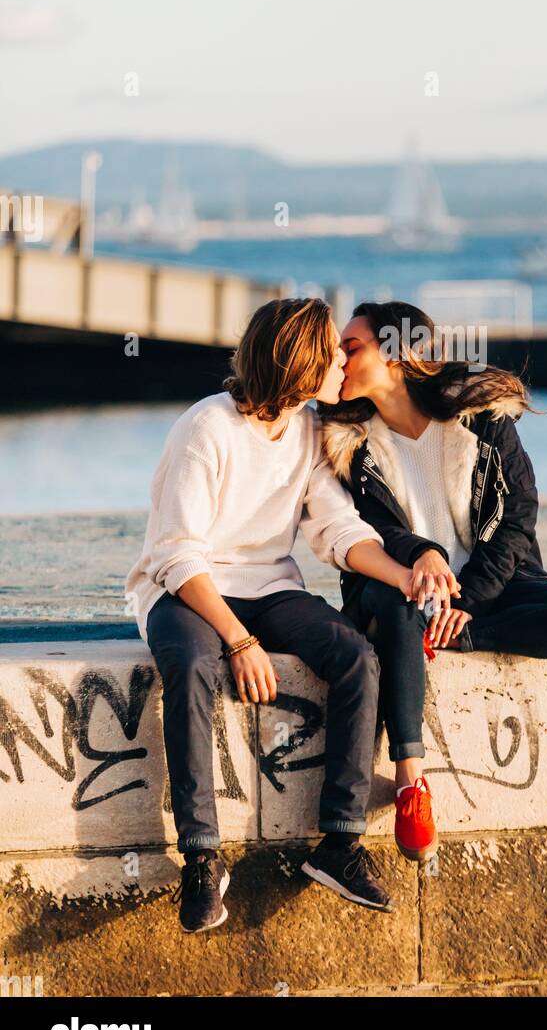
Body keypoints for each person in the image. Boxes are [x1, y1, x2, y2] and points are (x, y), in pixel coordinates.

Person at [125, 297, 421, 931]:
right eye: (333, 352)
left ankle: (339, 844)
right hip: (185, 588)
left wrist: (403, 574)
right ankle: (202, 857)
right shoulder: (208, 427)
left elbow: (338, 529)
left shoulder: (310, 430)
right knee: (193, 666)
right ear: (302, 364)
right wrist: (238, 640)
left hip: (268, 586)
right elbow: (176, 554)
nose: (344, 358)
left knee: (356, 658)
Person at [319, 300, 547, 863]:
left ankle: (456, 637)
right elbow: (370, 529)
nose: (339, 357)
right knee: (397, 596)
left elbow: (518, 516)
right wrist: (425, 557)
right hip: (399, 588)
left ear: (398, 353)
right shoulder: (346, 443)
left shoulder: (480, 417)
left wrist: (468, 607)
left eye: (351, 347)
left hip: (493, 589)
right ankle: (412, 784)